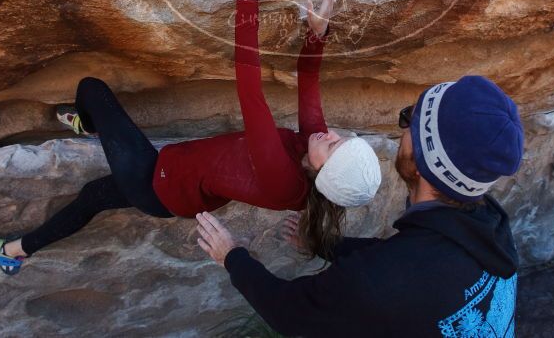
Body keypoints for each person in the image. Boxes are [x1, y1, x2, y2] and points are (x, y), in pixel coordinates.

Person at [0, 0, 381, 275]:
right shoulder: (316, 151)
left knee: (92, 90)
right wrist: (317, 33)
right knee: (91, 198)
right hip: (179, 182)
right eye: (343, 138)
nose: (331, 135)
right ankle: (17, 252)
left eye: (335, 147)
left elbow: (250, 94)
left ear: (319, 172)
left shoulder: (283, 180)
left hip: (157, 182)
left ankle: (88, 122)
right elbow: (308, 85)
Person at [197, 75, 524, 338]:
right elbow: (399, 259)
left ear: (424, 165)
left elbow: (290, 312)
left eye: (410, 119)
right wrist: (327, 246)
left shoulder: (381, 283)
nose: (402, 127)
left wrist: (232, 256)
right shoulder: (490, 227)